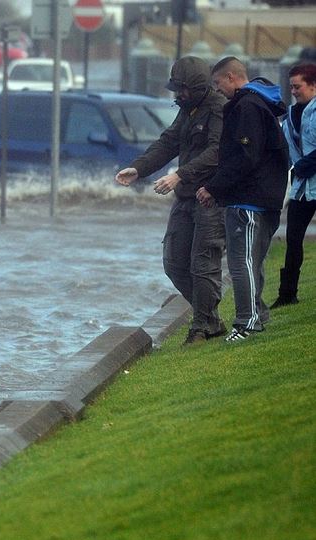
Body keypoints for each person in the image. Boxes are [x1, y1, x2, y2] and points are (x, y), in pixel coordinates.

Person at [115, 56, 227, 345]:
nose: (178, 95)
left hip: (210, 198)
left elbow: (216, 152)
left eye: (183, 89)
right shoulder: (187, 110)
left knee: (203, 265)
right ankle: (211, 319)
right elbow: (167, 143)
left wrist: (179, 175)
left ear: (198, 87)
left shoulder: (218, 109)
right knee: (174, 262)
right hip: (185, 198)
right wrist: (138, 168)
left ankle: (202, 327)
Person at [196, 56, 290, 341]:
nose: (217, 90)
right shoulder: (261, 104)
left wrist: (214, 187)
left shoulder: (246, 107)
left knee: (241, 263)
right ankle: (257, 315)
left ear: (232, 77)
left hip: (248, 201)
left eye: (218, 83)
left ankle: (246, 322)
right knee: (253, 261)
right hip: (266, 197)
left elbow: (244, 157)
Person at [272, 62, 316, 308]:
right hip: (301, 188)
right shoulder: (289, 115)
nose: (294, 91)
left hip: (305, 176)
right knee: (293, 238)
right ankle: (287, 294)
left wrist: (303, 166)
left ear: (313, 85)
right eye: (291, 87)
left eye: (297, 86)